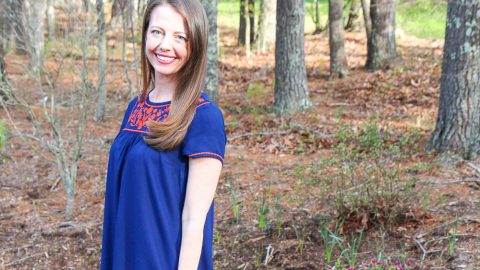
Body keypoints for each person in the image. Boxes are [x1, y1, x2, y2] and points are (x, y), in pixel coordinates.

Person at [100, 0, 226, 269]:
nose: (165, 45)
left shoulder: (203, 116)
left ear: (196, 45)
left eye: (180, 37)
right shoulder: (136, 107)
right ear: (146, 34)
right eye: (157, 32)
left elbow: (195, 220)